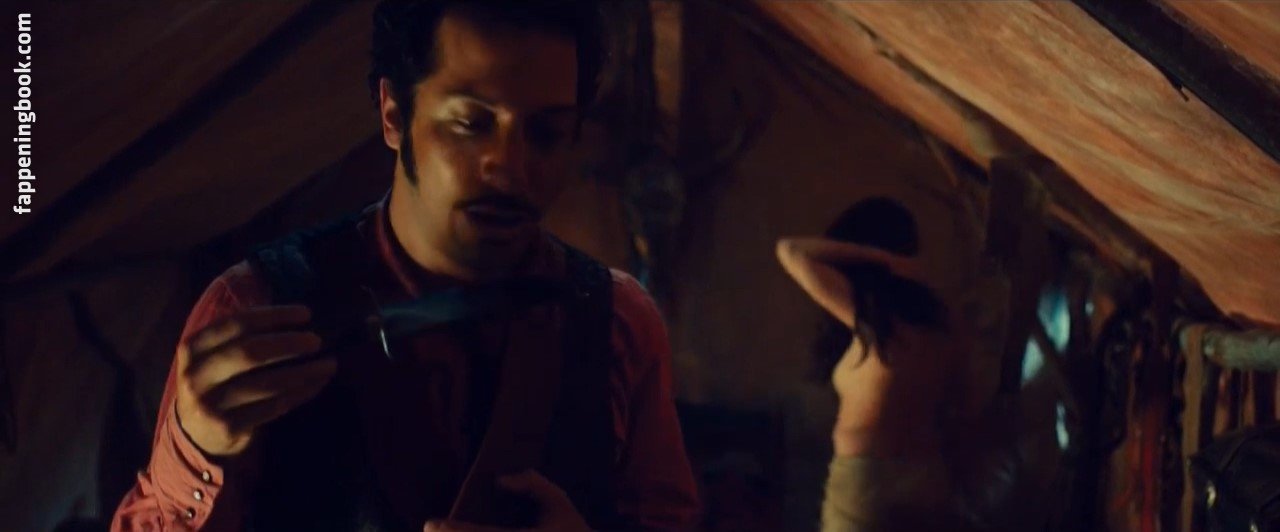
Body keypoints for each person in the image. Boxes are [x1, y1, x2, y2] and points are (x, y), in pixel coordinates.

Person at [111, 2, 699, 530]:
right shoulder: (257, 308)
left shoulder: (617, 320)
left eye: (545, 133)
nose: (509, 167)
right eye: (471, 123)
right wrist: (194, 451)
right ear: (395, 114)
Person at [777, 198, 977, 531]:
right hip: (929, 475)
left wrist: (880, 258)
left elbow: (790, 250)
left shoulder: (873, 317)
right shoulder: (942, 320)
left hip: (868, 481)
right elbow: (962, 403)